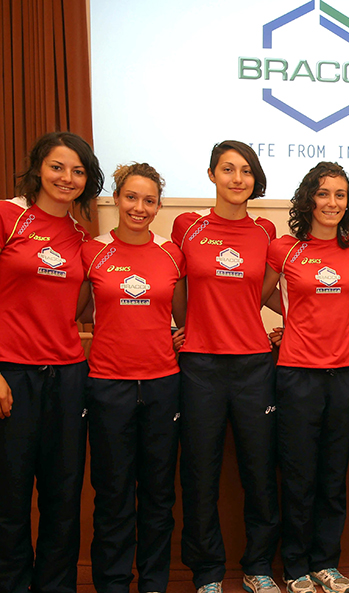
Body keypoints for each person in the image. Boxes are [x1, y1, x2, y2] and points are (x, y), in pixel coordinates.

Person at [172, 141, 280, 593]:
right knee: (200, 473)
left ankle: (257, 567)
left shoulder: (265, 231)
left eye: (247, 171)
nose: (238, 178)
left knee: (260, 471)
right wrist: (181, 327)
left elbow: (267, 293)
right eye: (229, 169)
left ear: (255, 180)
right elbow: (175, 286)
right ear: (212, 174)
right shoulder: (186, 226)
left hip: (254, 365)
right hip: (200, 366)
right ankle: (208, 573)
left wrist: (296, 327)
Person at [0, 131, 103, 593]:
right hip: (11, 375)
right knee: (10, 495)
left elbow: (82, 306)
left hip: (66, 376)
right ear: (38, 167)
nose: (67, 177)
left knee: (63, 498)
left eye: (78, 170)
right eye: (58, 166)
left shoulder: (82, 237)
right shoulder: (8, 215)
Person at [82, 162, 186, 592]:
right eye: (131, 197)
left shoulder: (171, 253)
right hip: (108, 384)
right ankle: (111, 582)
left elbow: (183, 316)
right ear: (116, 198)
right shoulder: (92, 250)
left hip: (163, 385)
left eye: (149, 200)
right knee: (113, 495)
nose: (139, 208)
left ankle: (155, 583)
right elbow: (77, 313)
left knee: (159, 495)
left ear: (158, 205)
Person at [262, 162, 349, 593]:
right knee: (300, 475)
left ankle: (326, 561)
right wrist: (293, 320)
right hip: (297, 374)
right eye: (324, 194)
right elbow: (260, 294)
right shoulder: (283, 248)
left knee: (332, 475)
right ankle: (297, 566)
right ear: (308, 199)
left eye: (340, 195)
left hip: (344, 373)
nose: (332, 203)